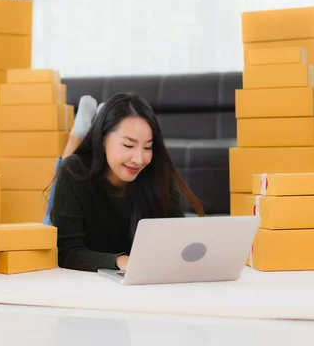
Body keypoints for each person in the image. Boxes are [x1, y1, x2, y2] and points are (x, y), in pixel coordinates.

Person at [44, 92, 205, 273]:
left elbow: (177, 242)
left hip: (140, 285)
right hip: (92, 284)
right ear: (103, 139)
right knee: (49, 212)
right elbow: (67, 253)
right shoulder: (73, 171)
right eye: (128, 145)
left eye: (147, 147)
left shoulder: (158, 173)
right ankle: (77, 133)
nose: (138, 159)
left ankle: (91, 121)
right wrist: (120, 261)